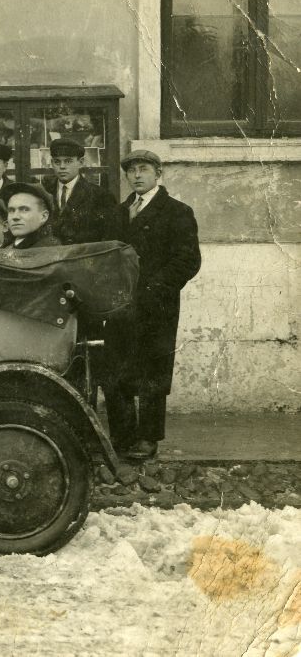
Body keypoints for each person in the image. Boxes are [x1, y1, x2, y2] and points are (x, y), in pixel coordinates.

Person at [104, 149, 201, 461]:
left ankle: (148, 437)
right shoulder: (120, 213)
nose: (136, 176)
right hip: (122, 304)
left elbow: (188, 260)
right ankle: (122, 436)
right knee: (117, 369)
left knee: (153, 372)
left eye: (143, 169)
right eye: (131, 171)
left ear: (158, 173)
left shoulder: (177, 211)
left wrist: (156, 287)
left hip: (157, 305)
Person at [41, 138, 123, 245]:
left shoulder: (100, 195)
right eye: (57, 161)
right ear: (52, 163)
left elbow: (109, 238)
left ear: (81, 162)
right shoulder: (43, 192)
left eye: (68, 161)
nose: (62, 166)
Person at [0, 182, 59, 249]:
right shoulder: (9, 247)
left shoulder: (50, 248)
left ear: (44, 216)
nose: (15, 217)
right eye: (11, 210)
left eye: (24, 210)